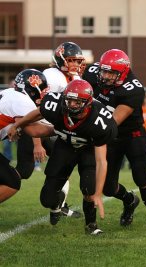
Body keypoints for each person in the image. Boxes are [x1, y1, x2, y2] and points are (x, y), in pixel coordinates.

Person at [8, 80, 118, 234]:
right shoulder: (57, 104)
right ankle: (57, 202)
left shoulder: (99, 120)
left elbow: (101, 161)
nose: (71, 104)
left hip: (88, 149)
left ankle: (91, 224)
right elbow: (39, 112)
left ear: (87, 103)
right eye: (69, 100)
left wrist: (98, 193)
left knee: (89, 189)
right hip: (65, 146)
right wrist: (17, 125)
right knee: (46, 199)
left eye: (77, 102)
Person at [82, 49, 146, 231]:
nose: (104, 76)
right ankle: (129, 200)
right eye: (103, 71)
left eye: (111, 73)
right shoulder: (92, 72)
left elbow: (112, 123)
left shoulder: (132, 88)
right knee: (108, 188)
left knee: (140, 175)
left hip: (131, 135)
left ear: (123, 72)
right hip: (110, 136)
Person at [40, 41, 86, 218]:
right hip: (41, 127)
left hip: (56, 130)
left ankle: (58, 206)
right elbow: (44, 107)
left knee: (63, 167)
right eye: (71, 60)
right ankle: (58, 205)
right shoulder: (51, 75)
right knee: (23, 170)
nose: (75, 64)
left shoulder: (74, 78)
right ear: (60, 59)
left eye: (77, 60)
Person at [0, 72, 54, 204]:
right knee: (11, 181)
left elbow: (23, 120)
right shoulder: (22, 100)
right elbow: (34, 130)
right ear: (31, 88)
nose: (43, 93)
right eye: (41, 89)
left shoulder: (10, 92)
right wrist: (61, 128)